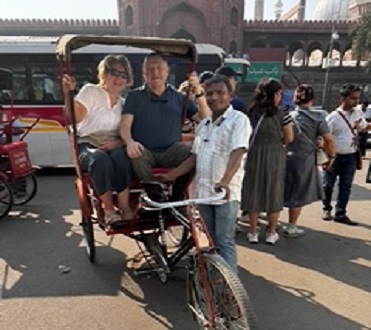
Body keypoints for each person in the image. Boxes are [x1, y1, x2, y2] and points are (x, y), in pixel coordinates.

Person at [158, 74, 251, 273]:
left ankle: (228, 290)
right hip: (204, 193)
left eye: (220, 93)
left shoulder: (239, 120)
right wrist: (172, 175)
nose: (215, 97)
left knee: (224, 240)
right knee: (210, 239)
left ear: (230, 95)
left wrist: (225, 181)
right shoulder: (203, 124)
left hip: (225, 194)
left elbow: (238, 151)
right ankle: (215, 278)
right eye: (210, 93)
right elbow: (194, 157)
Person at [120, 52, 210, 200]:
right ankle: (155, 197)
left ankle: (176, 196)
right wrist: (129, 142)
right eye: (150, 69)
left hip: (171, 150)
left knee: (199, 152)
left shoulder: (179, 97)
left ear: (167, 71)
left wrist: (198, 91)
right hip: (145, 150)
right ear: (144, 73)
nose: (155, 72)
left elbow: (205, 119)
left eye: (159, 68)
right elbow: (125, 124)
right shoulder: (134, 97)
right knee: (135, 153)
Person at [62, 54, 134, 227]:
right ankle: (109, 210)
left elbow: (129, 131)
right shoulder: (91, 92)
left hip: (114, 143)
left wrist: (118, 143)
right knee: (100, 159)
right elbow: (75, 117)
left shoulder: (124, 103)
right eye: (114, 73)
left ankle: (124, 207)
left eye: (123, 75)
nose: (118, 78)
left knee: (122, 158)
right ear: (104, 74)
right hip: (88, 142)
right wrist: (68, 93)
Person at [241, 78, 293, 245]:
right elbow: (289, 137)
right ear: (274, 95)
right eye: (279, 93)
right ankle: (271, 233)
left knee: (253, 192)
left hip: (253, 155)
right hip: (274, 156)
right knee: (273, 193)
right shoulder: (282, 114)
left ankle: (253, 232)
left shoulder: (250, 112)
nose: (280, 96)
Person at [284, 84, 335, 238]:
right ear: (312, 99)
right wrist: (331, 156)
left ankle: (271, 224)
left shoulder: (288, 116)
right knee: (298, 194)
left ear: (294, 100)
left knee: (281, 191)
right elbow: (329, 140)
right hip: (305, 160)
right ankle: (291, 226)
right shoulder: (318, 117)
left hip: (286, 158)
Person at [322, 84, 370, 225]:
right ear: (342, 99)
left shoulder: (357, 113)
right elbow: (324, 138)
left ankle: (341, 213)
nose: (355, 101)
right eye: (352, 98)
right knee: (327, 185)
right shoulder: (332, 118)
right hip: (334, 157)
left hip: (350, 156)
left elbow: (363, 128)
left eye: (357, 98)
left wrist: (366, 126)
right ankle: (326, 208)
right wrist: (327, 158)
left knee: (346, 186)